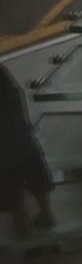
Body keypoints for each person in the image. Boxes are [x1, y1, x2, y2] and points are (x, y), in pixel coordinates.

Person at [0, 61, 55, 237]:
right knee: (31, 165)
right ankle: (46, 213)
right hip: (17, 131)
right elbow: (15, 95)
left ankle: (20, 219)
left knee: (6, 176)